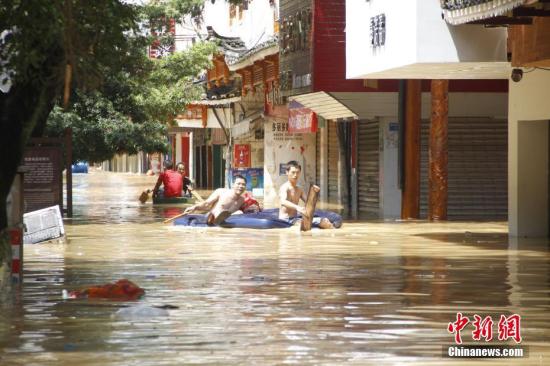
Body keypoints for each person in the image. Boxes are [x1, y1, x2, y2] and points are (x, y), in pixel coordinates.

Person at [279, 160, 333, 229]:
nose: (295, 175)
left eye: (297, 172)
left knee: (325, 222)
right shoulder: (284, 188)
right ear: (287, 172)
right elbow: (283, 201)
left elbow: (309, 203)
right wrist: (298, 208)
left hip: (295, 218)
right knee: (306, 227)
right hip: (285, 220)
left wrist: (314, 193)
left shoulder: (299, 190)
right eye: (293, 172)